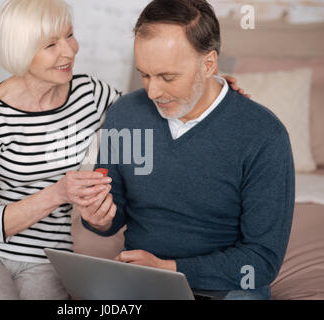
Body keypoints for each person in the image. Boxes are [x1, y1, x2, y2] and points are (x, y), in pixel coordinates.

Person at [0, 0, 246, 300]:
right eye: (51, 45)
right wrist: (59, 193)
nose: (70, 50)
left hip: (48, 257)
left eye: (70, 35)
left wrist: (210, 86)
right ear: (21, 51)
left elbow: (153, 108)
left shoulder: (89, 92)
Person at [80, 0, 295, 300]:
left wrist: (169, 268)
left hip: (227, 288)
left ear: (208, 64)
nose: (153, 92)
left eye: (168, 77)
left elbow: (261, 261)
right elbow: (112, 212)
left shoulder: (264, 135)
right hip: (144, 280)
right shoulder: (125, 114)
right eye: (144, 74)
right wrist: (98, 219)